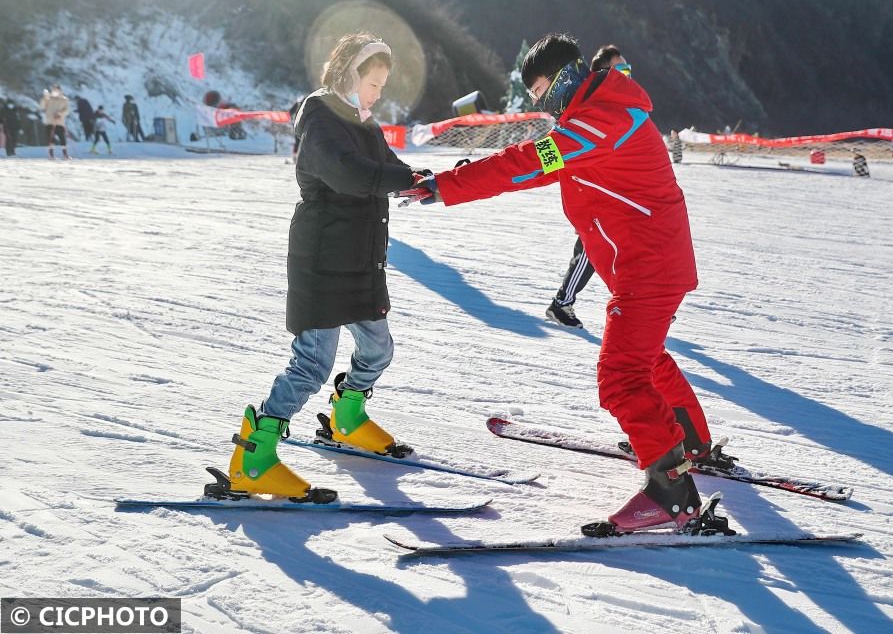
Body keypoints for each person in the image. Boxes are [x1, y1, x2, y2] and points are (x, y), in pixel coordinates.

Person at [402, 33, 724, 534]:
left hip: (648, 268)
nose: (536, 99)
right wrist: (463, 175)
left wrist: (447, 187)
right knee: (646, 357)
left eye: (539, 88)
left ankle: (672, 493)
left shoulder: (600, 123)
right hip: (646, 264)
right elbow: (539, 159)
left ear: (568, 76)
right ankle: (688, 444)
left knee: (621, 377)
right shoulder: (597, 115)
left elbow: (531, 163)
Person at [217, 32, 424, 502]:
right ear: (349, 72)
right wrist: (402, 178)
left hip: (360, 257)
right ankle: (254, 457)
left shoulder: (363, 122)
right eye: (373, 83)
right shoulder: (319, 117)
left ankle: (346, 418)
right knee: (312, 364)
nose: (376, 93)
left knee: (378, 349)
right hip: (321, 257)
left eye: (381, 86)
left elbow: (390, 166)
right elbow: (348, 173)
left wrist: (427, 180)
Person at [545, 44, 631, 329]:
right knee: (590, 252)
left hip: (616, 196)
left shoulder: (622, 103)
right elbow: (547, 156)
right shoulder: (588, 109)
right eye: (620, 70)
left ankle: (643, 304)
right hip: (592, 199)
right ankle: (561, 303)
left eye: (628, 70)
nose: (626, 76)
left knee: (621, 251)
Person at [40, 84, 70, 159]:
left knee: (62, 138)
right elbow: (42, 106)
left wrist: (60, 113)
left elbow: (67, 110)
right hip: (49, 121)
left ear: (60, 91)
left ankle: (65, 154)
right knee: (50, 138)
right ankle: (51, 154)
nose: (55, 92)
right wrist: (44, 97)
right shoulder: (48, 99)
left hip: (60, 122)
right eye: (53, 90)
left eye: (56, 90)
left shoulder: (64, 100)